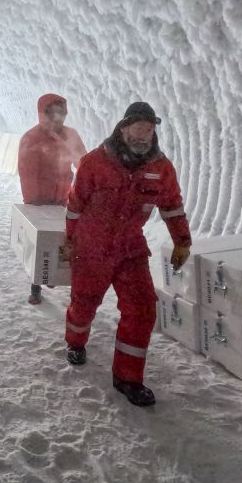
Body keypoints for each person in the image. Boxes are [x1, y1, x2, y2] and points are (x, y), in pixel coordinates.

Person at [63, 101, 191, 406]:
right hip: (92, 247)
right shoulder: (95, 162)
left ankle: (127, 378)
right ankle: (76, 341)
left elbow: (172, 206)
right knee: (84, 303)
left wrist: (182, 241)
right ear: (124, 128)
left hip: (130, 249)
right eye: (138, 128)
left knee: (143, 308)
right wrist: (70, 241)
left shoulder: (161, 168)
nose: (144, 135)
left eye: (149, 130)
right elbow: (75, 204)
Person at [17, 93, 87, 304]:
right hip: (39, 200)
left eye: (61, 112)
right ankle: (36, 285)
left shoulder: (70, 136)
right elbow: (27, 173)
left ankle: (56, 277)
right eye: (52, 112)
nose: (58, 118)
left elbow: (83, 163)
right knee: (40, 242)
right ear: (43, 114)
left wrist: (86, 188)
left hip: (64, 198)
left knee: (64, 240)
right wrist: (33, 201)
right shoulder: (31, 139)